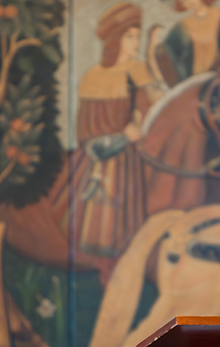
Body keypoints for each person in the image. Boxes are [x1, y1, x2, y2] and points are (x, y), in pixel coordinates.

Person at [63, 2, 162, 258]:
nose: (136, 42)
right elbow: (86, 132)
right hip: (101, 164)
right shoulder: (92, 77)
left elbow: (158, 108)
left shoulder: (137, 71)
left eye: (138, 36)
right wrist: (122, 137)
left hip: (133, 163)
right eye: (130, 36)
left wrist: (151, 55)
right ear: (115, 40)